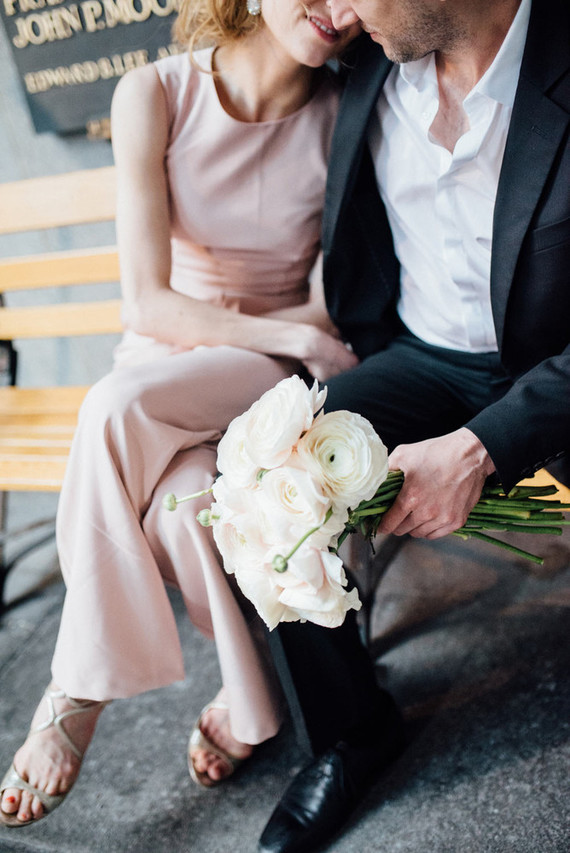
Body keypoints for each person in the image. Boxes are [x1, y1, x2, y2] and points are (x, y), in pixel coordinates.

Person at [0, 0, 362, 831]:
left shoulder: (347, 112)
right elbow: (148, 301)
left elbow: (327, 296)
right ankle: (251, 704)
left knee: (112, 408)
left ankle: (77, 689)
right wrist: (283, 330)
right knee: (184, 506)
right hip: (175, 355)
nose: (338, 9)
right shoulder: (153, 93)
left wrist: (289, 339)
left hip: (265, 371)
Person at [257, 0, 570, 851]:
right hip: (423, 357)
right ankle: (352, 733)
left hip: (556, 366)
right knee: (266, 477)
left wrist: (483, 446)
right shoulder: (364, 61)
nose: (340, 10)